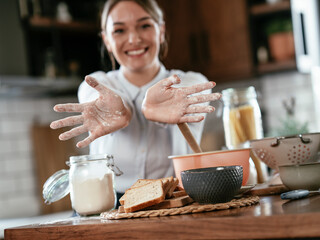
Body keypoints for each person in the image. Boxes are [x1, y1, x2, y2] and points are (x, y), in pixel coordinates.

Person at [50, 0, 221, 202]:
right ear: (107, 40)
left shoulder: (191, 82)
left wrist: (155, 109)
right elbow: (118, 107)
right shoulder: (95, 84)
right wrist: (122, 111)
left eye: (145, 25)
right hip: (108, 203)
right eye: (119, 30)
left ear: (161, 30)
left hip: (174, 200)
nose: (134, 39)